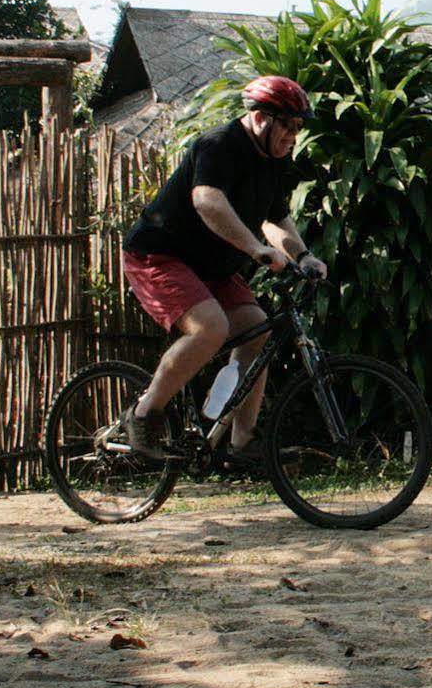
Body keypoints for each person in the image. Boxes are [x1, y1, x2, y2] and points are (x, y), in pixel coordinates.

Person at [117, 75, 328, 466]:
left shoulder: (273, 161)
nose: (293, 137)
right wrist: (255, 249)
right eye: (289, 126)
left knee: (258, 333)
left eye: (299, 128)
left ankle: (242, 443)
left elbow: (276, 218)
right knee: (210, 328)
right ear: (263, 119)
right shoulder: (219, 145)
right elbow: (207, 202)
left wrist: (302, 257)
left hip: (210, 268)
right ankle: (143, 415)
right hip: (159, 255)